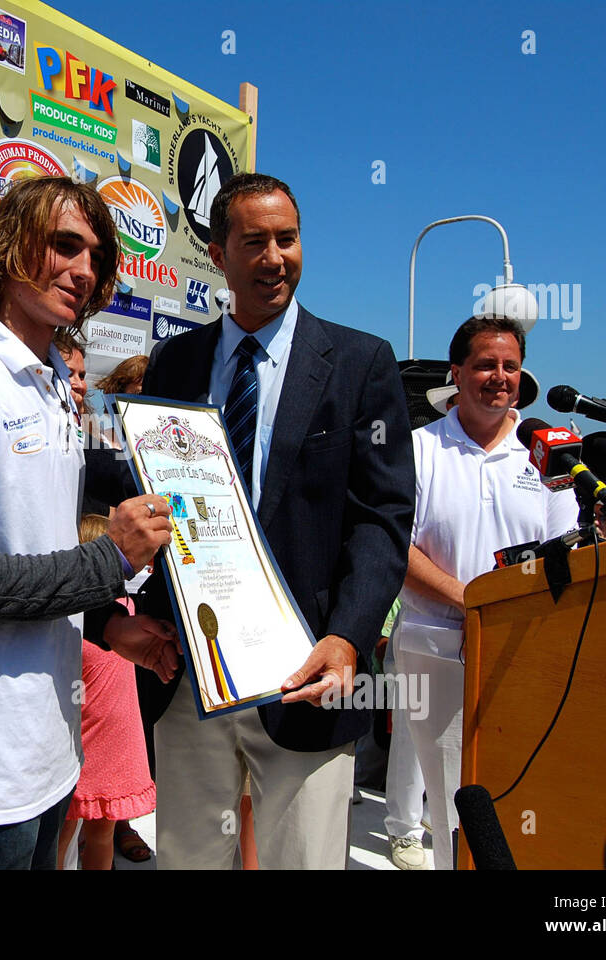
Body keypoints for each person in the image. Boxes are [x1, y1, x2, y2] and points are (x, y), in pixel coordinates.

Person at [0, 176, 178, 870]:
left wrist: (110, 627)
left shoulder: (53, 383)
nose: (83, 270)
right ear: (10, 245)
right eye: (64, 246)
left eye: (96, 257)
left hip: (50, 752)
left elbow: (30, 551)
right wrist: (109, 562)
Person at [135, 172, 415, 869]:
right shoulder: (176, 360)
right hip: (191, 672)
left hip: (307, 674)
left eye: (287, 240)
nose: (274, 258)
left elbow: (382, 519)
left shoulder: (359, 362)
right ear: (218, 254)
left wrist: (349, 637)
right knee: (188, 859)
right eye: (253, 241)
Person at [397, 314, 577, 870]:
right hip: (437, 650)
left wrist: (504, 611)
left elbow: (564, 545)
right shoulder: (417, 448)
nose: (500, 377)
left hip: (525, 649)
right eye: (485, 365)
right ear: (457, 373)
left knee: (524, 792)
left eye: (511, 366)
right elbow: (394, 546)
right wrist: (469, 600)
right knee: (456, 800)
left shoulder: (548, 453)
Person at [56, 514, 157, 870]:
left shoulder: (124, 612)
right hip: (80, 748)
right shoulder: (78, 622)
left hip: (113, 746)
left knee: (96, 835)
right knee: (64, 833)